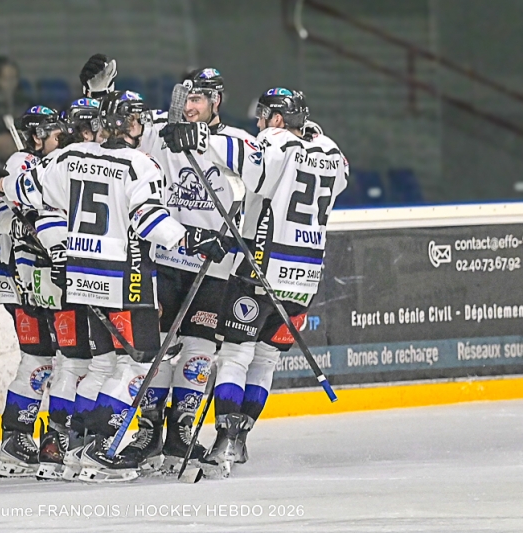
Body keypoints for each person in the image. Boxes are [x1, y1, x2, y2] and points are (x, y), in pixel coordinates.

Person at [27, 90, 226, 482]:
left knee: (102, 365)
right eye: (137, 118)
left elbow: (29, 195)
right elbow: (149, 219)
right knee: (139, 364)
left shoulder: (71, 157)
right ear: (131, 124)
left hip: (83, 278)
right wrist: (193, 239)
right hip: (124, 280)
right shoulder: (139, 164)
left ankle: (76, 449)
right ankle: (102, 449)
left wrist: (0, 185)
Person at [80, 57, 258, 474]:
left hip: (211, 265)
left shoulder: (237, 140)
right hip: (162, 259)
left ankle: (181, 436)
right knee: (157, 351)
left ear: (216, 101)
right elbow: (123, 131)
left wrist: (199, 137)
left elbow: (259, 169)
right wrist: (101, 96)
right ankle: (147, 434)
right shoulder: (162, 130)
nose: (190, 105)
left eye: (198, 98)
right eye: (186, 98)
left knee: (198, 352)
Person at [164, 88, 348, 475]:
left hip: (259, 268)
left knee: (235, 355)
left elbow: (253, 165)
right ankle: (240, 442)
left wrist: (200, 136)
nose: (259, 123)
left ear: (278, 120)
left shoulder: (275, 141)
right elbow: (336, 173)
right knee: (265, 360)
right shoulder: (331, 153)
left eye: (264, 116)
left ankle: (224, 444)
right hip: (305, 278)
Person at [0, 105, 67, 478]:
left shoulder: (50, 169)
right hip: (21, 284)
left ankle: (38, 438)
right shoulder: (20, 165)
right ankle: (16, 438)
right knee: (41, 360)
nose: (61, 136)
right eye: (52, 131)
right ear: (35, 136)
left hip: (41, 283)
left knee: (58, 360)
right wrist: (22, 214)